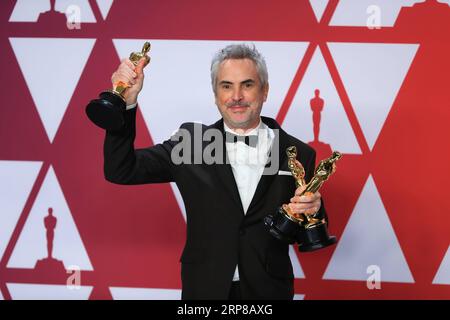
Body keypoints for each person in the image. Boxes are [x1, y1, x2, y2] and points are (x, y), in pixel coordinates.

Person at [103, 44, 327, 300]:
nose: (237, 96)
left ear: (265, 91)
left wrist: (314, 209)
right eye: (226, 86)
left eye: (248, 85)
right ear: (215, 93)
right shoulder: (191, 144)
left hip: (269, 291)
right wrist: (125, 102)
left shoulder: (298, 153)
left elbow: (306, 231)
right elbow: (121, 169)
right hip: (204, 290)